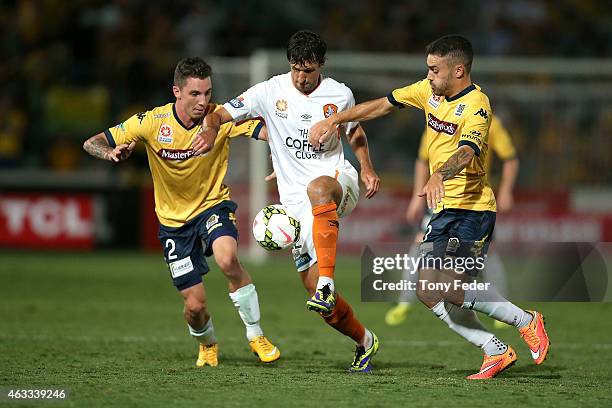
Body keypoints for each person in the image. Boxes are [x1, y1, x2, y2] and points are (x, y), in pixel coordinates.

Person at [309, 35, 549, 379]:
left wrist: (438, 174)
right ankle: (495, 350)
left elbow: (467, 153)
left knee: (446, 286)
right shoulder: (428, 91)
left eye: (435, 70)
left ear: (459, 70)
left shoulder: (478, 106)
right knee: (427, 291)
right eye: (428, 69)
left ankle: (527, 321)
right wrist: (337, 120)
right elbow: (383, 104)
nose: (429, 76)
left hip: (472, 210)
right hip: (444, 209)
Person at [193, 30, 381, 373]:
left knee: (318, 189)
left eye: (307, 70)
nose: (300, 76)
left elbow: (354, 131)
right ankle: (365, 341)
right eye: (295, 68)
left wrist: (366, 168)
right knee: (319, 301)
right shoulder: (269, 91)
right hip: (295, 203)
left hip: (337, 180)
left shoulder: (339, 94)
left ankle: (327, 283)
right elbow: (219, 113)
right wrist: (208, 129)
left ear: (321, 66)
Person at [82, 57, 280, 368]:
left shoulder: (220, 118)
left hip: (213, 206)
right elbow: (91, 142)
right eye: (195, 94)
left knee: (228, 259)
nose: (203, 102)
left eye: (208, 94)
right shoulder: (150, 122)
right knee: (195, 306)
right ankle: (208, 344)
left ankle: (256, 335)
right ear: (177, 91)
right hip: (174, 225)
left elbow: (269, 132)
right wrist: (109, 152)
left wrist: (283, 159)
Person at [386, 115, 519, 327]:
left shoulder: (490, 123)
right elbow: (422, 160)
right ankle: (404, 302)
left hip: (475, 200)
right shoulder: (437, 119)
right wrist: (415, 197)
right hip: (441, 198)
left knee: (485, 253)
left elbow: (510, 158)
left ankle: (502, 307)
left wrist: (506, 191)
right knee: (421, 243)